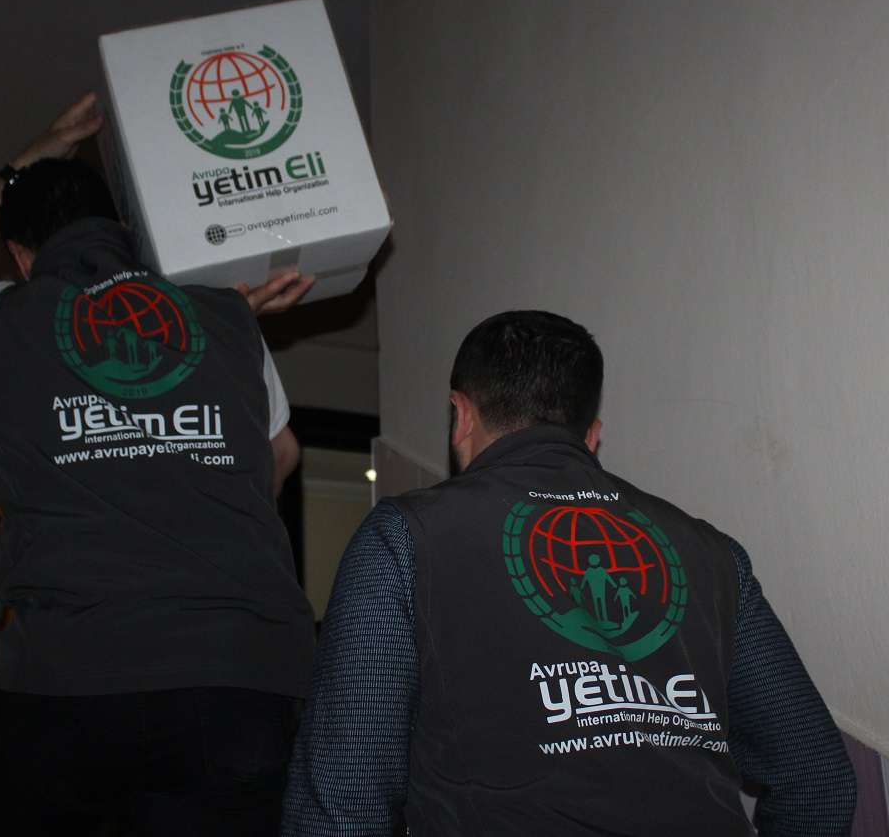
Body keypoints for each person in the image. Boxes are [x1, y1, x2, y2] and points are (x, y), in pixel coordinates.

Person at [282, 310, 858, 836]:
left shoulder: (405, 539)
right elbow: (818, 777)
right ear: (591, 435)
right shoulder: (713, 554)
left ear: (460, 416)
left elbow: (343, 805)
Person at [0, 94, 316, 835]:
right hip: (236, 679)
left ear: (22, 258)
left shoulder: (0, 319)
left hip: (65, 683)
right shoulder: (224, 317)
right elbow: (281, 455)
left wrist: (34, 152)